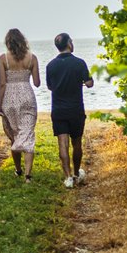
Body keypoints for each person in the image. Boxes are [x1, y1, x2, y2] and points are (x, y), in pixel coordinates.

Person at [45, 32, 93, 188]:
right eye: (71, 41)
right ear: (69, 44)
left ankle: (67, 178)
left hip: (58, 110)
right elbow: (89, 83)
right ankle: (76, 173)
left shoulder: (50, 66)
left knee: (62, 144)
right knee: (77, 143)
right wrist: (85, 81)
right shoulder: (80, 63)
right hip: (76, 109)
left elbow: (50, 87)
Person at [0, 28, 40, 181]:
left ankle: (18, 169)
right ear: (23, 41)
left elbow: (2, 83)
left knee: (14, 136)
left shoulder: (3, 59)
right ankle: (28, 176)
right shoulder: (32, 58)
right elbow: (37, 83)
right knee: (27, 134)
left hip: (9, 99)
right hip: (27, 96)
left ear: (8, 42)